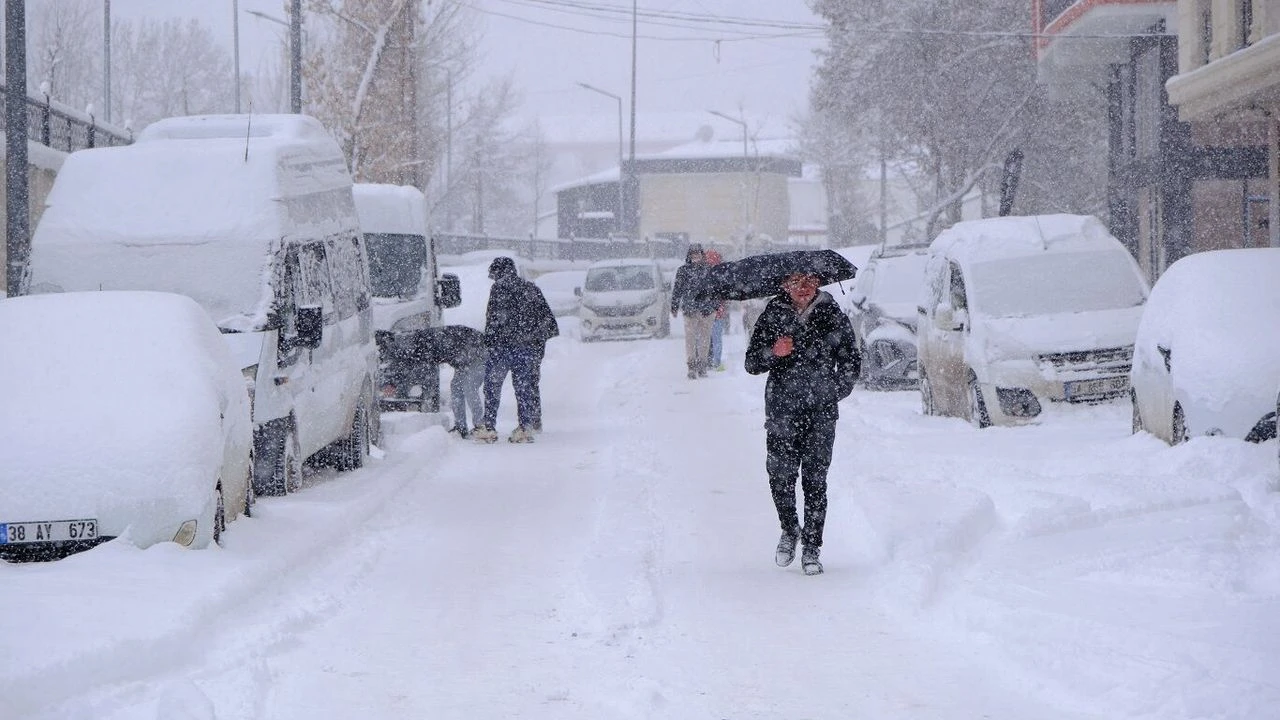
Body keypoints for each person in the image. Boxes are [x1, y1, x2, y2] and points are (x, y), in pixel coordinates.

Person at [744, 272, 860, 576]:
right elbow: (751, 362)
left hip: (820, 413)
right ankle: (789, 528)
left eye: (809, 280)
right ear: (784, 285)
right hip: (782, 409)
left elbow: (851, 360)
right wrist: (774, 352)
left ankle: (811, 547)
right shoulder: (773, 314)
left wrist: (832, 391)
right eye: (796, 281)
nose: (803, 287)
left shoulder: (832, 314)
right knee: (780, 476)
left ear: (818, 283)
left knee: (815, 480)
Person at [474, 256, 559, 444]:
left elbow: (492, 320)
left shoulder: (498, 289)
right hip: (525, 348)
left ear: (499, 273)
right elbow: (547, 321)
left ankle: (489, 426)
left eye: (494, 275)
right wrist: (534, 343)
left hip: (501, 348)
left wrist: (490, 343)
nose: (494, 279)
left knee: (492, 387)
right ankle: (525, 427)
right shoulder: (531, 289)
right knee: (524, 388)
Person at [407, 325, 486, 438]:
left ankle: (480, 426)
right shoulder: (427, 342)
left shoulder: (430, 346)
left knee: (469, 387)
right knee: (456, 388)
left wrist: (460, 362)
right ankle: (460, 427)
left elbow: (452, 355)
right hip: (464, 355)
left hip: (477, 352)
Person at [669, 243, 717, 379]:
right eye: (693, 254)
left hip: (707, 310)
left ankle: (702, 365)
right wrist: (674, 306)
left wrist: (714, 306)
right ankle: (691, 366)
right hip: (690, 310)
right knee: (690, 339)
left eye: (698, 254)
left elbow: (715, 290)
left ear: (702, 255)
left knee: (705, 339)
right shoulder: (683, 271)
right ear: (689, 256)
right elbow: (677, 289)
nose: (695, 256)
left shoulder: (709, 269)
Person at [704, 249, 728, 371]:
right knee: (717, 339)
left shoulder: (702, 274)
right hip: (718, 312)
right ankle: (716, 362)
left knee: (705, 338)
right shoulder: (722, 274)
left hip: (704, 313)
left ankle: (706, 360)